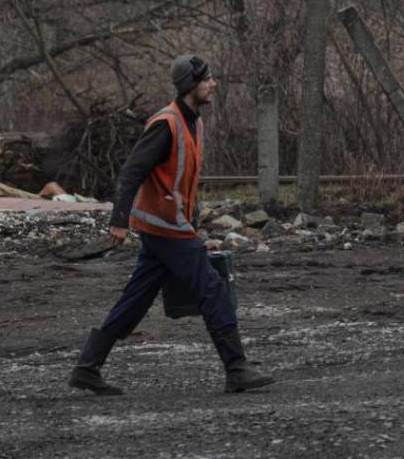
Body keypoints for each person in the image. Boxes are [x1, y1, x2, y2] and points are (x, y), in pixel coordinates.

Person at [68, 54, 274, 396]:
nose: (213, 84)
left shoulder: (194, 123)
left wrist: (195, 234)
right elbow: (132, 172)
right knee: (212, 288)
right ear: (192, 85)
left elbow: (183, 184)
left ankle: (87, 368)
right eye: (207, 79)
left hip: (169, 229)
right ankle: (236, 369)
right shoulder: (167, 124)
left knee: (135, 299)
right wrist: (119, 221)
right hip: (165, 229)